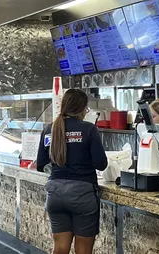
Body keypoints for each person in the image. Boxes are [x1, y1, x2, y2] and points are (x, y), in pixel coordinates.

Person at [37, 89, 108, 254]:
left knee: (60, 248)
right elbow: (101, 164)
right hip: (82, 195)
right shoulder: (89, 129)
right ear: (82, 108)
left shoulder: (50, 129)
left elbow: (40, 164)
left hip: (55, 194)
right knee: (83, 250)